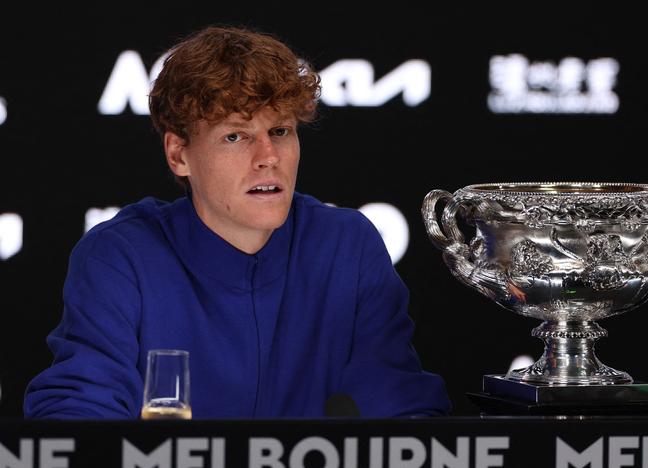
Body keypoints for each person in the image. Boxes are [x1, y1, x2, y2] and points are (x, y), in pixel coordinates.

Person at [24, 25, 450, 419]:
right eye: (235, 136)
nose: (268, 156)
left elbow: (402, 417)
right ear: (179, 154)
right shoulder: (121, 256)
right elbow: (78, 421)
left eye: (280, 131)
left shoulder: (346, 246)